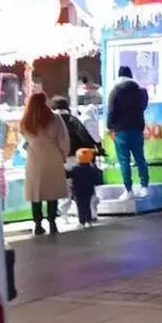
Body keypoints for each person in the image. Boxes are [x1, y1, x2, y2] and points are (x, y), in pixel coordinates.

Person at [18, 92, 70, 235]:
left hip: (34, 157)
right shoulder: (55, 118)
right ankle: (52, 222)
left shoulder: (25, 121)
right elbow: (63, 139)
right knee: (52, 191)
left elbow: (24, 140)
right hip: (52, 156)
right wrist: (63, 155)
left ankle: (38, 224)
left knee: (36, 192)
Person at [50, 96, 104, 226]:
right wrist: (94, 151)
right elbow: (85, 137)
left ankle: (64, 214)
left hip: (61, 159)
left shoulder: (52, 122)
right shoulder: (73, 120)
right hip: (78, 158)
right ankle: (91, 213)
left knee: (66, 188)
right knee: (85, 187)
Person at [107, 65, 150, 200]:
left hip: (121, 131)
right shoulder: (140, 90)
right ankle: (144, 187)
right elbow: (143, 106)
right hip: (137, 128)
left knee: (124, 161)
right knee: (140, 158)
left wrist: (110, 126)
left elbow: (111, 111)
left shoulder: (115, 91)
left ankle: (129, 190)